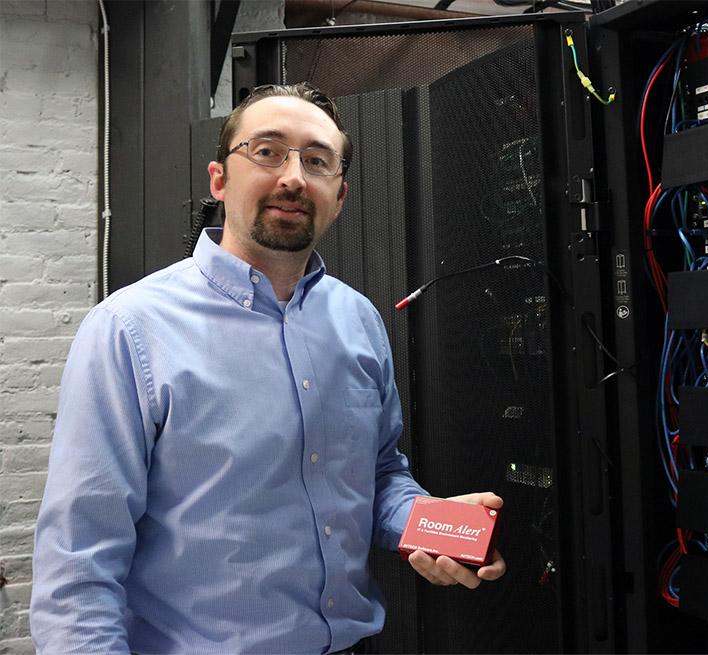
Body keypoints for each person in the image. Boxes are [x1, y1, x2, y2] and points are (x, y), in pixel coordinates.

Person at [29, 82, 506, 654]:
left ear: (341, 193)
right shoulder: (130, 330)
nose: (294, 177)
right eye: (268, 151)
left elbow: (378, 476)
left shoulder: (357, 320)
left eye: (317, 160)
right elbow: (79, 563)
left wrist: (433, 527)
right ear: (219, 179)